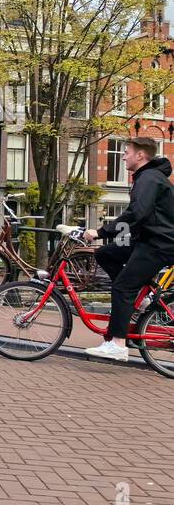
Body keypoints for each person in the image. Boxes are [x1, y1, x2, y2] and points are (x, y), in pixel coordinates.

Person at [83, 136, 174, 361]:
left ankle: (117, 344)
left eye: (127, 152)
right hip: (149, 239)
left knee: (122, 288)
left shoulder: (149, 179)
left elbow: (136, 213)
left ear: (140, 155)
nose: (123, 156)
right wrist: (115, 240)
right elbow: (144, 217)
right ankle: (141, 298)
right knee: (105, 253)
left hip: (160, 244)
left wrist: (101, 232)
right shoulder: (147, 177)